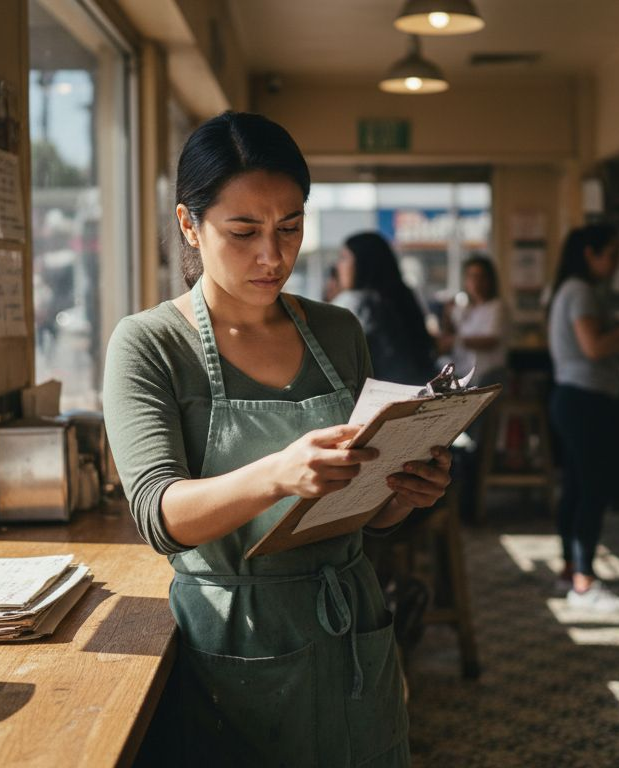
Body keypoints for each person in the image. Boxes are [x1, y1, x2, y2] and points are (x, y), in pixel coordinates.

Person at [103, 111, 452, 767]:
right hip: (236, 648)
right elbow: (158, 514)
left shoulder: (338, 331)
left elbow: (364, 510)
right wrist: (277, 473)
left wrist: (405, 492)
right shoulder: (149, 344)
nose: (273, 255)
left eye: (290, 227)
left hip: (350, 626)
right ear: (189, 226)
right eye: (244, 231)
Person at [547, 224, 619, 612]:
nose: (617, 262)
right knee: (592, 490)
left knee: (577, 487)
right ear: (589, 254)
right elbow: (593, 348)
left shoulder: (574, 290)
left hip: (573, 397)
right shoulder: (580, 291)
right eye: (611, 253)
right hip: (585, 401)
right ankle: (584, 582)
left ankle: (570, 570)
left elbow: (592, 352)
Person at [332, 231, 436, 386]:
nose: (338, 266)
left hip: (373, 400)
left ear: (363, 262)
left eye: (344, 258)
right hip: (415, 392)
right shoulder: (403, 295)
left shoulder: (353, 303)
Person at [442, 255, 507, 386]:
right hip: (465, 373)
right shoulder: (467, 308)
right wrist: (447, 315)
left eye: (480, 277)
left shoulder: (497, 307)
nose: (475, 282)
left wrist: (455, 340)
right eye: (471, 276)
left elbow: (491, 340)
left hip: (488, 374)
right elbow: (451, 335)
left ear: (490, 280)